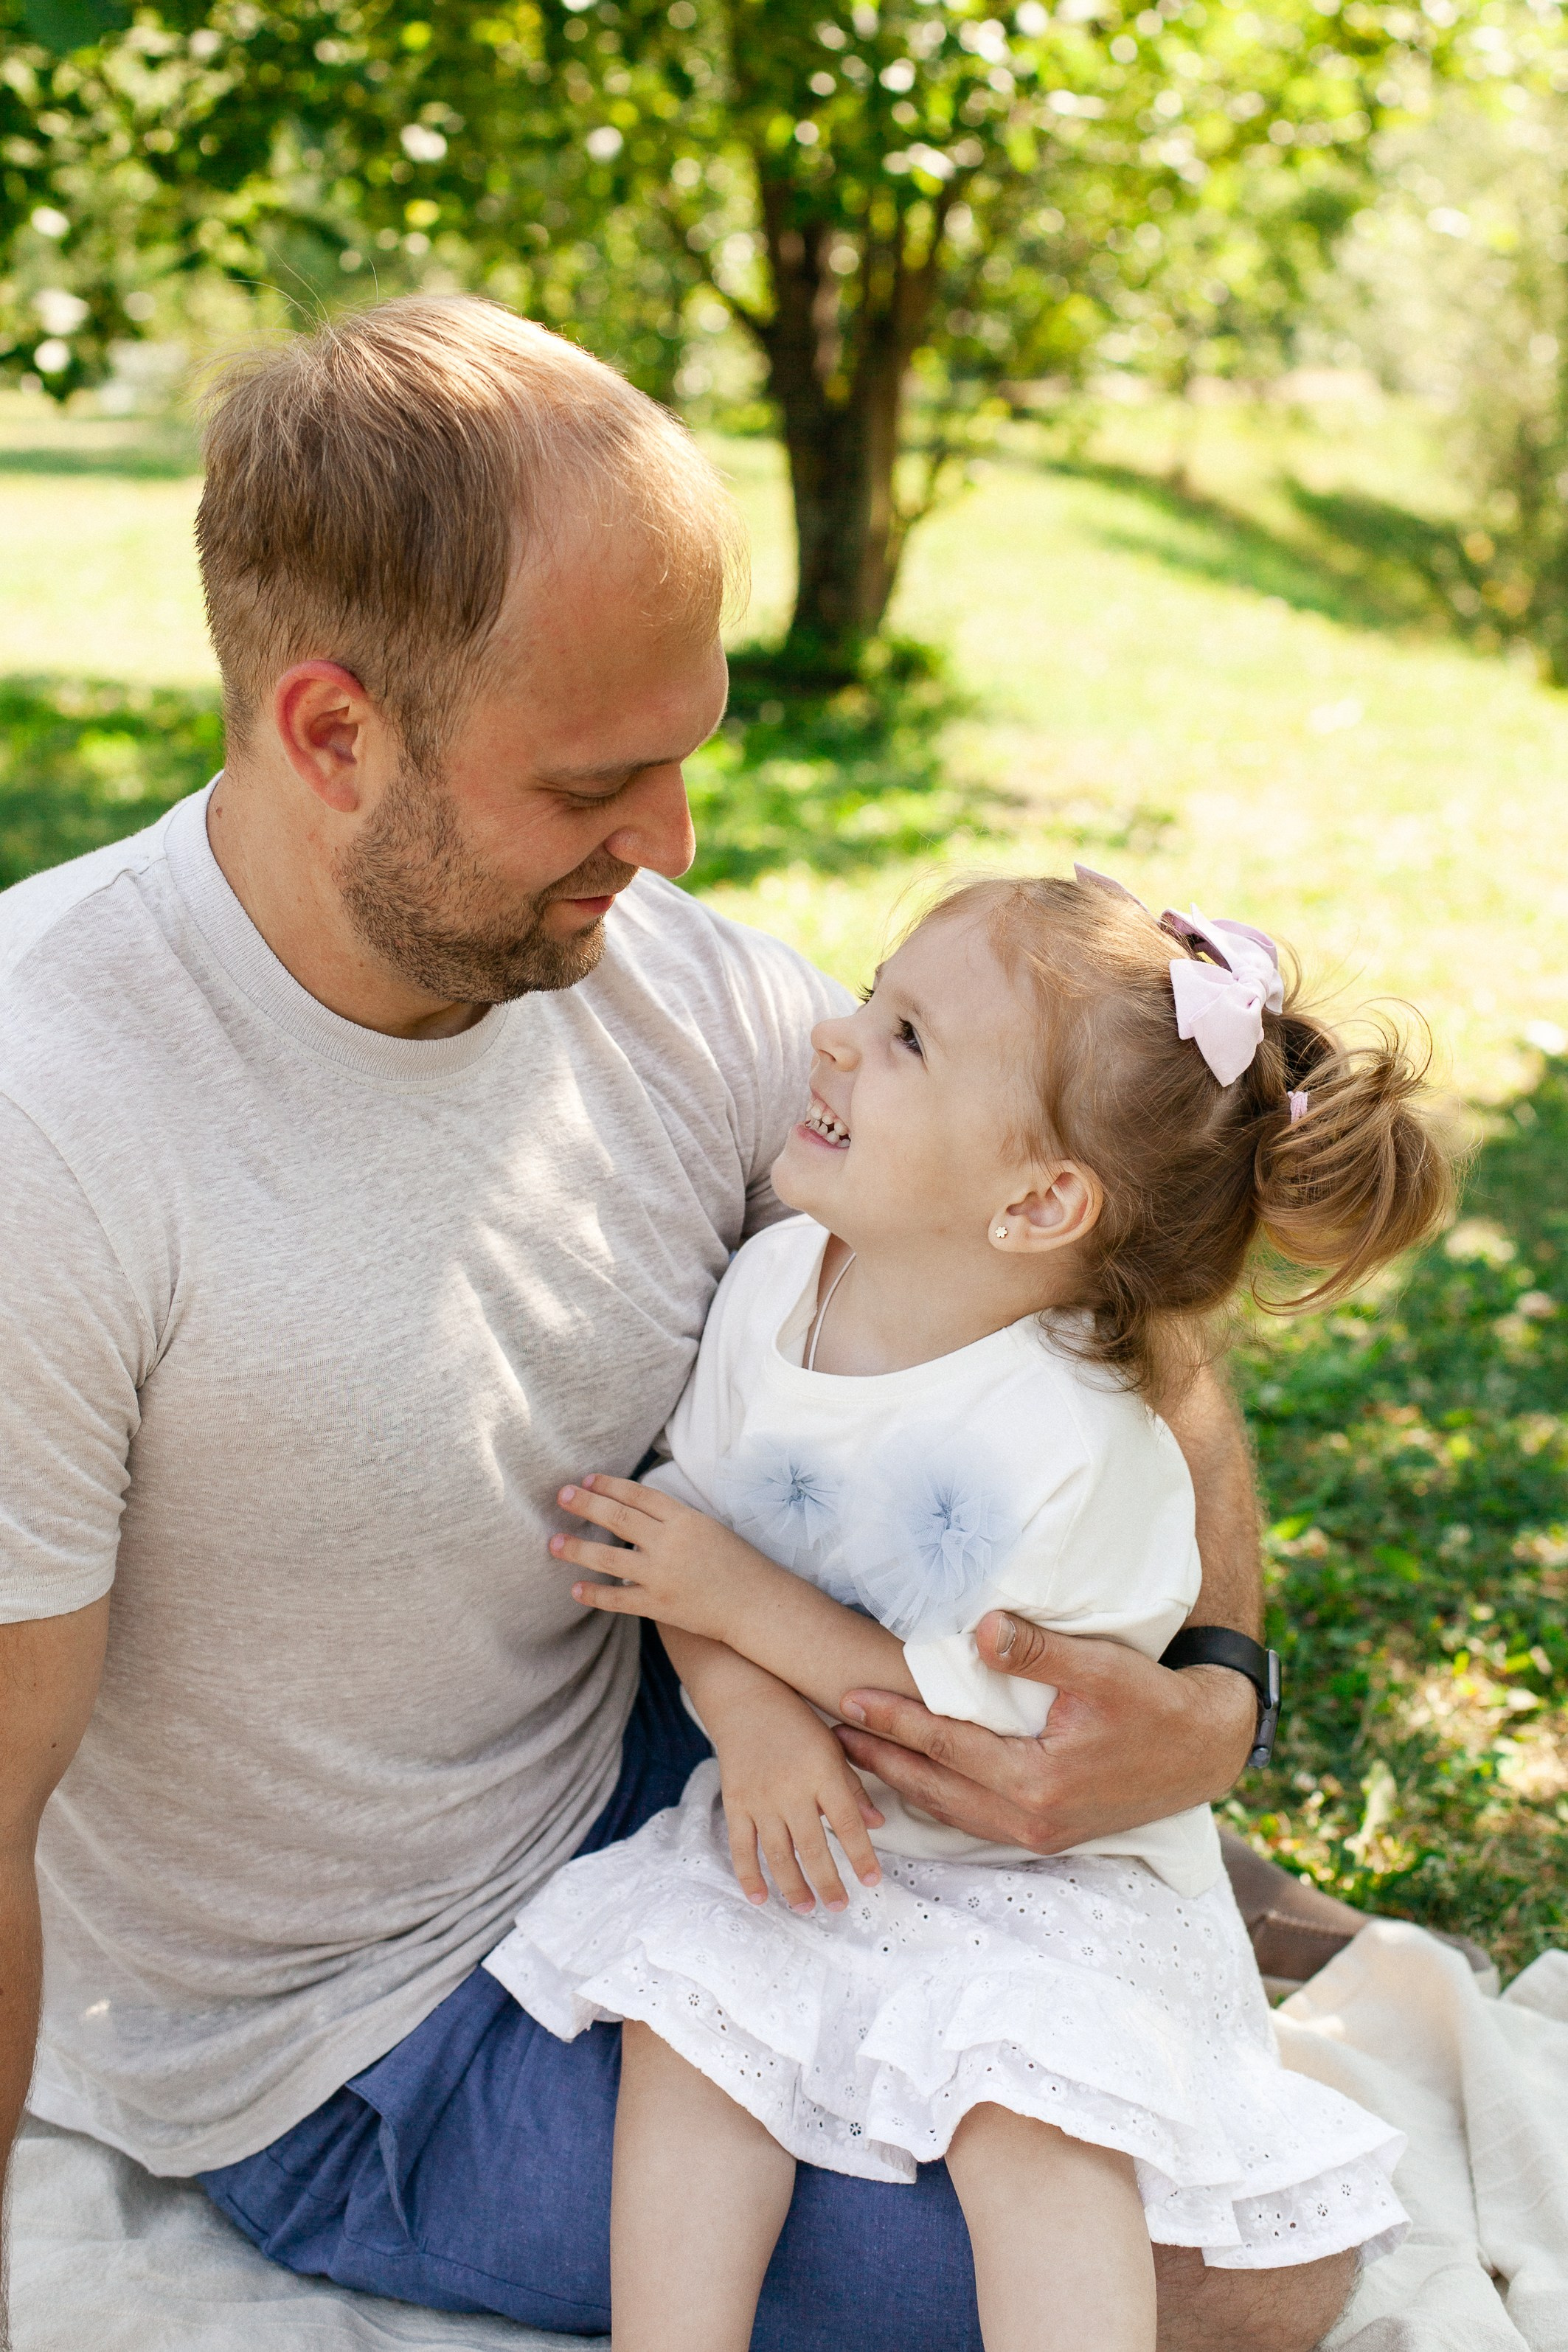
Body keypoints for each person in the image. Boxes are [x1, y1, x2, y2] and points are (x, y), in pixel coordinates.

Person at [0, 294, 1346, 2352]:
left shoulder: (662, 985)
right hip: (365, 2029)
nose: (674, 846)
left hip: (691, 1766)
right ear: (331, 731)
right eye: (597, 780)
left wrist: (1208, 1696)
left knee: (1204, 2149)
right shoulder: (53, 1120)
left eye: (686, 756)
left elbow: (1107, 1295)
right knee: (1245, 2268)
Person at [487, 874, 1450, 2352]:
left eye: (907, 1037)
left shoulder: (1076, 1442)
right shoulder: (777, 1288)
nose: (830, 1035)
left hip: (1040, 1873)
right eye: (872, 995)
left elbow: (996, 1737)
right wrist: (746, 1719)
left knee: (1031, 2107)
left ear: (1038, 1200)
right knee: (694, 2028)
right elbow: (675, 1549)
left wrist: (743, 1607)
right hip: (821, 1813)